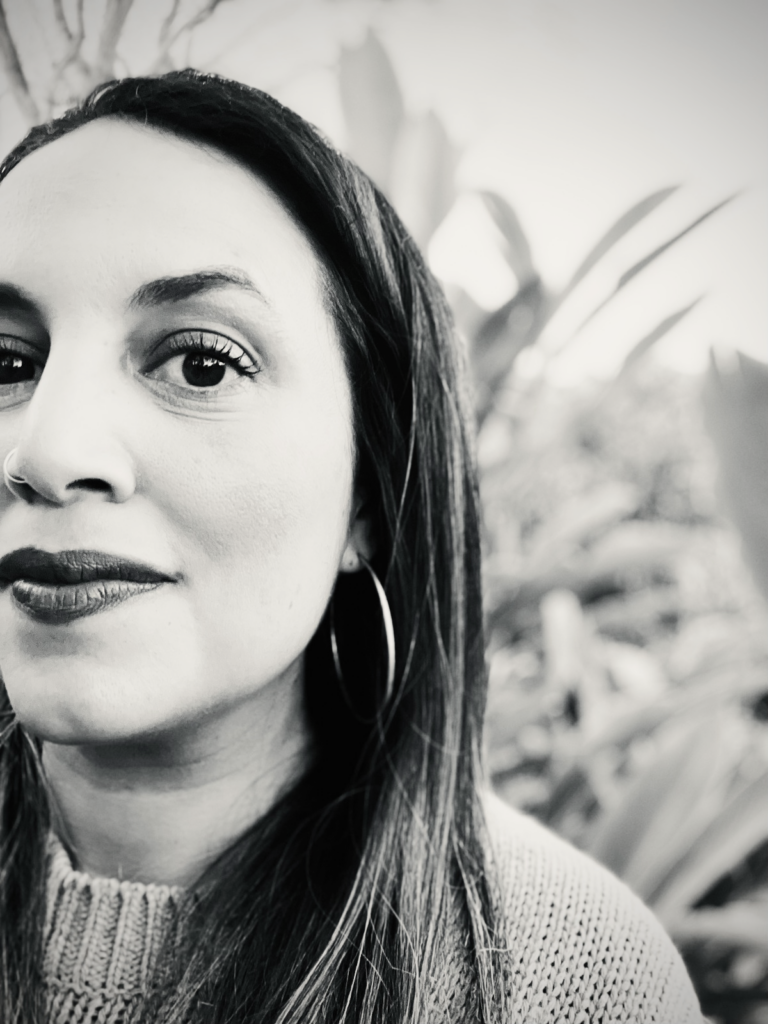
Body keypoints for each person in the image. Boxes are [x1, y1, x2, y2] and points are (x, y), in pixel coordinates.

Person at [0, 71, 701, 1024]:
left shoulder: (567, 980)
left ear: (368, 494)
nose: (46, 452)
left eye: (201, 363)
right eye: (6, 363)